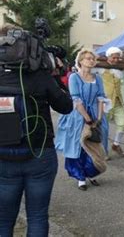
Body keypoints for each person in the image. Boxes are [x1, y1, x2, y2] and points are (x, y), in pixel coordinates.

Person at [0, 25, 73, 236]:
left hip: (4, 158)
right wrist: (57, 75)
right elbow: (65, 106)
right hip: (39, 154)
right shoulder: (40, 76)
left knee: (4, 219)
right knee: (38, 216)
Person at [56, 49, 108, 190]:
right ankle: (80, 177)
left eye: (92, 58)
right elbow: (76, 100)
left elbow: (101, 98)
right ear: (80, 61)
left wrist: (98, 117)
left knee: (93, 144)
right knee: (78, 146)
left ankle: (91, 173)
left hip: (94, 114)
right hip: (77, 115)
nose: (91, 60)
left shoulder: (98, 78)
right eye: (87, 58)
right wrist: (87, 119)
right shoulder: (74, 77)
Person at [94, 47, 124, 158]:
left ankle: (116, 144)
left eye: (118, 57)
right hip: (104, 102)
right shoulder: (100, 68)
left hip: (117, 100)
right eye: (113, 57)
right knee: (104, 127)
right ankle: (103, 151)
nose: (116, 60)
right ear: (108, 57)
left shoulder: (120, 70)